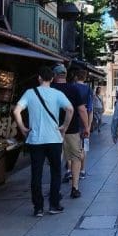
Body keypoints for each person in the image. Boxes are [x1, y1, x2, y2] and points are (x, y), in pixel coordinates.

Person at [12, 65, 72, 217]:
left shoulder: (30, 93)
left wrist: (23, 128)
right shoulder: (57, 94)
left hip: (35, 140)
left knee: (36, 174)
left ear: (38, 78)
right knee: (56, 172)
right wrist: (64, 126)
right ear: (52, 78)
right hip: (54, 138)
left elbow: (16, 110)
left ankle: (38, 207)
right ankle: (54, 204)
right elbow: (70, 109)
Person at [51, 64, 90, 199]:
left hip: (53, 130)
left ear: (54, 76)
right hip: (72, 129)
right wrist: (86, 127)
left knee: (55, 158)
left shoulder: (50, 89)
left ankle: (56, 189)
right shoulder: (73, 89)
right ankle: (75, 187)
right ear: (65, 75)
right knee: (75, 158)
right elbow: (82, 109)